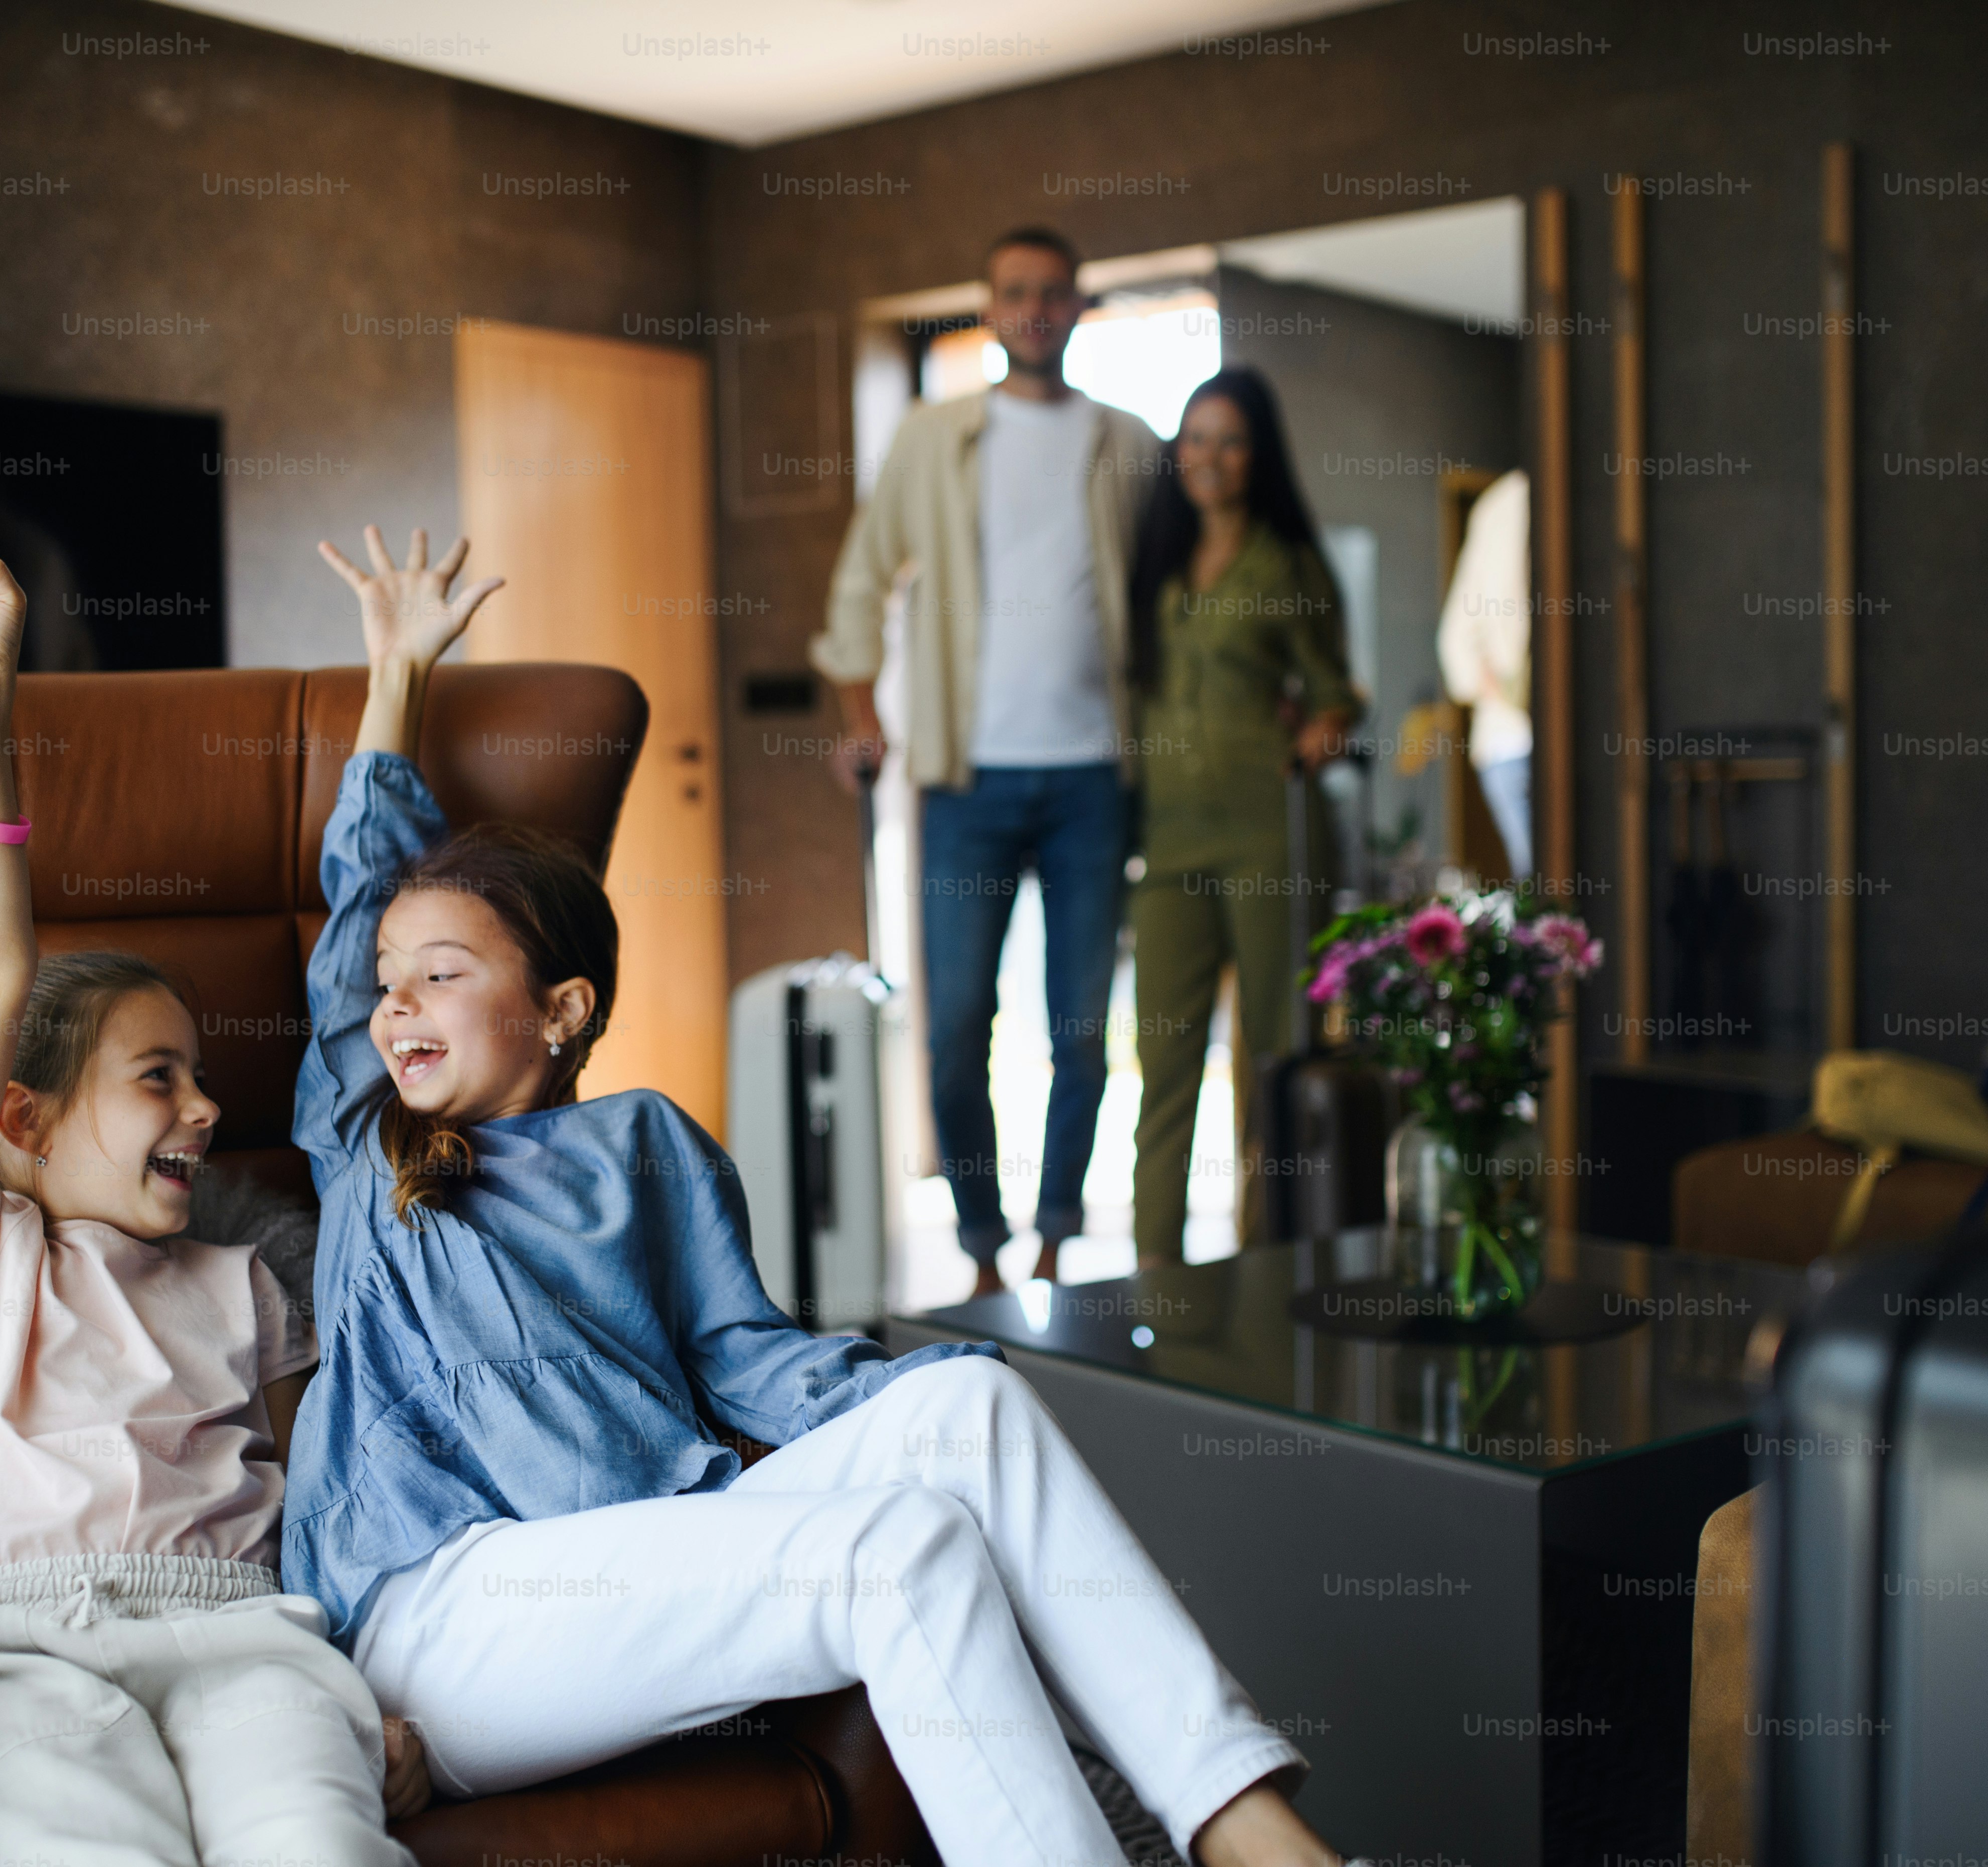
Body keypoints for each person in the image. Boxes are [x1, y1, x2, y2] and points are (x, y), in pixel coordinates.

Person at [285, 523, 1352, 1867]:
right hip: (452, 1605)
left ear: (561, 1011)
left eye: (443, 973)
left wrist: (924, 1407)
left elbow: (758, 1363)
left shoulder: (648, 1146)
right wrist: (398, 677)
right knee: (888, 1553)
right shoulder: (360, 1138)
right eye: (390, 979)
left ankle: (1261, 1841)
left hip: (668, 1540)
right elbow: (362, 894)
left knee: (968, 1406)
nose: (397, 1002)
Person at [0, 546, 425, 1867]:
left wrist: (378, 1692)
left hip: (244, 1635)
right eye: (157, 1078)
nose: (205, 1109)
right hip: (16, 1650)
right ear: (25, 1117)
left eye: (202, 1079)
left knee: (320, 1847)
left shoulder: (247, 1286)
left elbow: (326, 1502)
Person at [811, 225, 1166, 1297]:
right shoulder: (934, 435)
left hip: (1097, 778)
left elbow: (1170, 603)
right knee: (958, 1025)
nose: (1036, 309)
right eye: (1016, 292)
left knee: (1084, 1032)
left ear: (1078, 304)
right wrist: (860, 711)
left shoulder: (1130, 442)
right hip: (965, 779)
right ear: (990, 305)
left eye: (1055, 292)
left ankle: (1059, 1235)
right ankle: (981, 1245)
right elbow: (861, 579)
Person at [1126, 370, 1362, 1268]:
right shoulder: (1156, 559)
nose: (1207, 457)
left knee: (1270, 1061)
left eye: (1227, 440)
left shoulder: (1287, 564)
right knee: (1162, 1064)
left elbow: (1337, 695)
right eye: (1193, 439)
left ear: (1255, 456)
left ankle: (1265, 1260)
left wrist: (1317, 733)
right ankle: (1155, 1270)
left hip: (1269, 837)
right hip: (1170, 842)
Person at [1436, 468, 1534, 878]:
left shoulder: (1499, 505)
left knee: (1548, 894)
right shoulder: (1507, 506)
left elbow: (1456, 640)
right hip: (1514, 737)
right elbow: (1457, 642)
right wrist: (1505, 692)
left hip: (1507, 741)